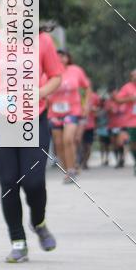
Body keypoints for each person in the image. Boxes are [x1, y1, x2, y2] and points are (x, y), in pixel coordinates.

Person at [0, 25, 63, 263]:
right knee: (9, 182)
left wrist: (38, 94)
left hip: (33, 120)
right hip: (0, 122)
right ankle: (18, 241)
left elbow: (56, 76)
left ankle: (38, 222)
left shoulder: (42, 40)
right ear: (0, 11)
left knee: (33, 182)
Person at [47, 50, 91, 183]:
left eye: (63, 56)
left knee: (68, 139)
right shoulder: (47, 72)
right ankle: (68, 170)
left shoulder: (75, 70)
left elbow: (87, 87)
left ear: (68, 58)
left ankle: (71, 169)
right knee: (59, 144)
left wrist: (86, 105)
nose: (60, 59)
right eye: (57, 56)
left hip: (72, 111)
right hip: (54, 113)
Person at [113, 70, 136, 174]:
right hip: (132, 121)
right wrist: (130, 99)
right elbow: (117, 100)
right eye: (134, 76)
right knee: (134, 144)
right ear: (131, 78)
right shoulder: (127, 87)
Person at [78, 90, 101, 170]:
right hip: (78, 126)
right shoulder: (76, 95)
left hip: (90, 126)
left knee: (88, 146)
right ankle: (80, 161)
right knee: (80, 145)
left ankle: (85, 162)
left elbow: (99, 108)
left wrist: (94, 109)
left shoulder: (94, 96)